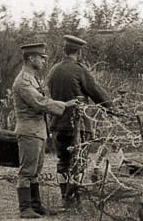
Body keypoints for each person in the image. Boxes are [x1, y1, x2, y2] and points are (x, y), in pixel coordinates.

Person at [46, 34, 116, 208]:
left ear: (65, 50)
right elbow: (96, 92)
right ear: (78, 52)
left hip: (57, 124)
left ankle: (65, 196)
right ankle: (74, 198)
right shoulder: (79, 70)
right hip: (78, 125)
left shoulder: (53, 70)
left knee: (63, 161)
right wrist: (114, 110)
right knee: (79, 161)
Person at [12, 42, 77, 218]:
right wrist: (65, 105)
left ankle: (35, 205)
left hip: (37, 130)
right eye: (41, 57)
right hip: (29, 131)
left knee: (35, 170)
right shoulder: (23, 82)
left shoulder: (31, 79)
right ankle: (25, 208)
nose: (43, 61)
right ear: (31, 58)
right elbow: (39, 102)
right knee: (27, 171)